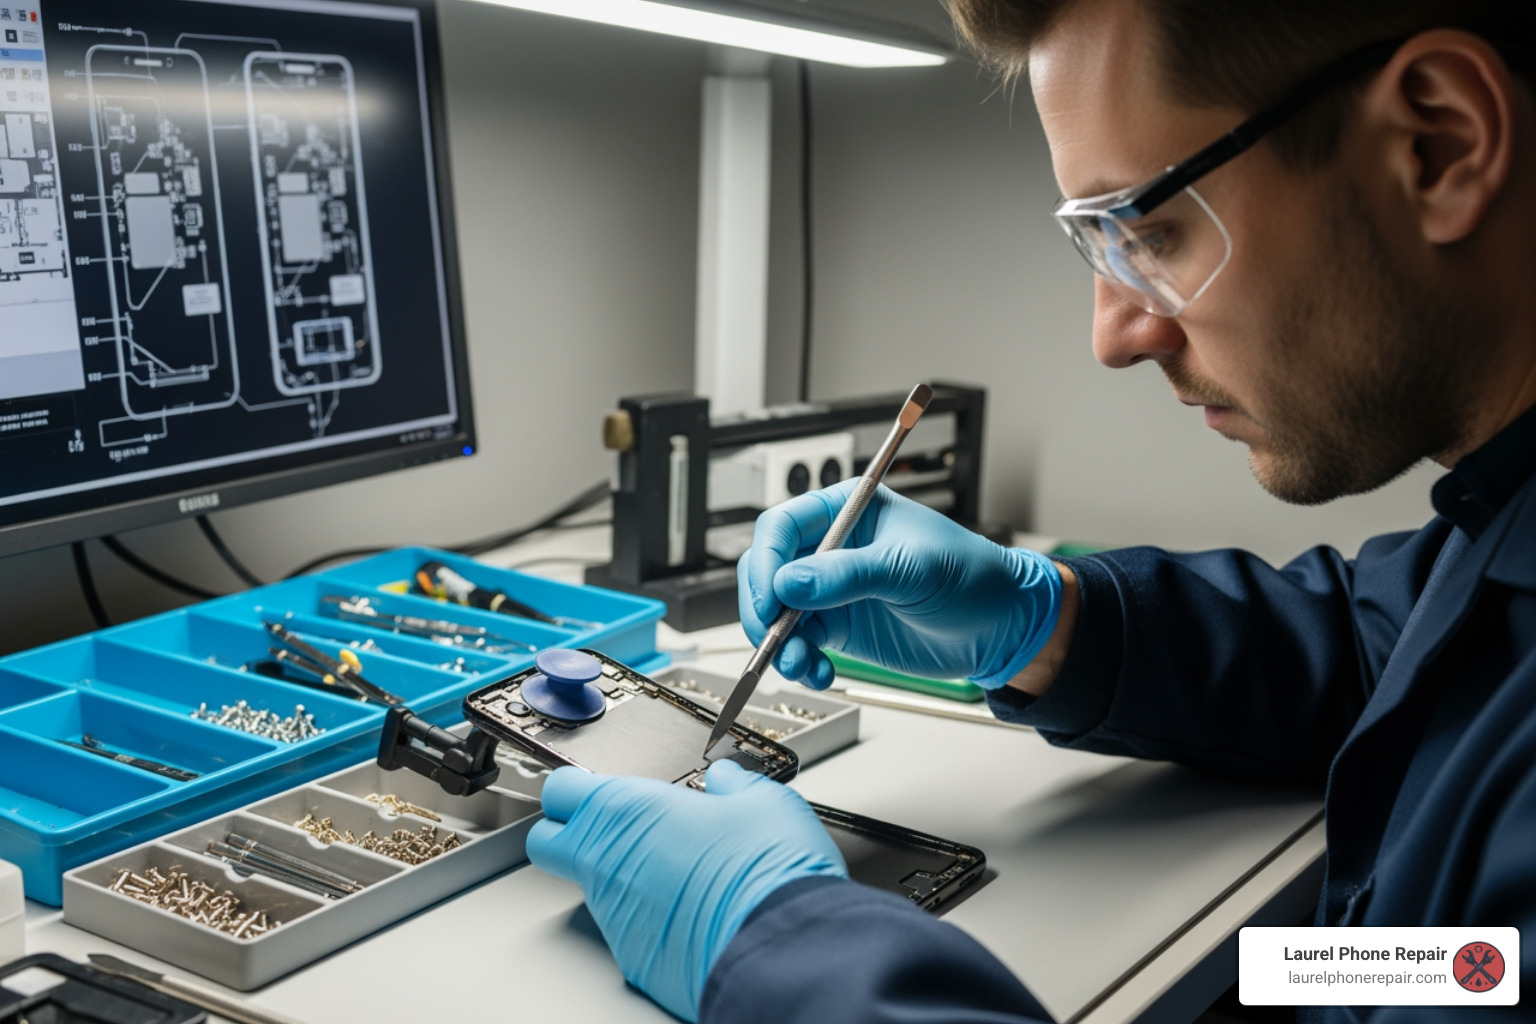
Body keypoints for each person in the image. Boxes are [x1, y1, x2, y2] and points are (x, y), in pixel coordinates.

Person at [525, 0, 1536, 1020]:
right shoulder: (1506, 530)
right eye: (1099, 241)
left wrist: (778, 945)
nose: (1115, 335)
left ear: (1439, 143)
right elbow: (1397, 675)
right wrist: (1053, 623)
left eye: (1152, 228)